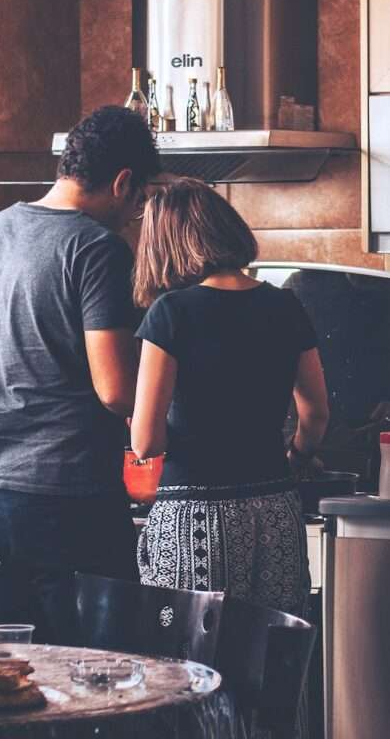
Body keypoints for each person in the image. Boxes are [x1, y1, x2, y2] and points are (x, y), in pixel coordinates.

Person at [0, 105, 159, 644]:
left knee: (15, 676)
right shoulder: (96, 249)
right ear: (123, 182)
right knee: (104, 674)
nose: (135, 214)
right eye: (139, 201)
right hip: (65, 497)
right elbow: (116, 391)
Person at [131, 178, 329, 615]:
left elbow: (146, 442)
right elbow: (314, 413)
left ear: (166, 244)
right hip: (275, 508)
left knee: (189, 665)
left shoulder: (171, 313)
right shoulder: (285, 305)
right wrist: (296, 458)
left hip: (194, 516)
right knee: (272, 655)